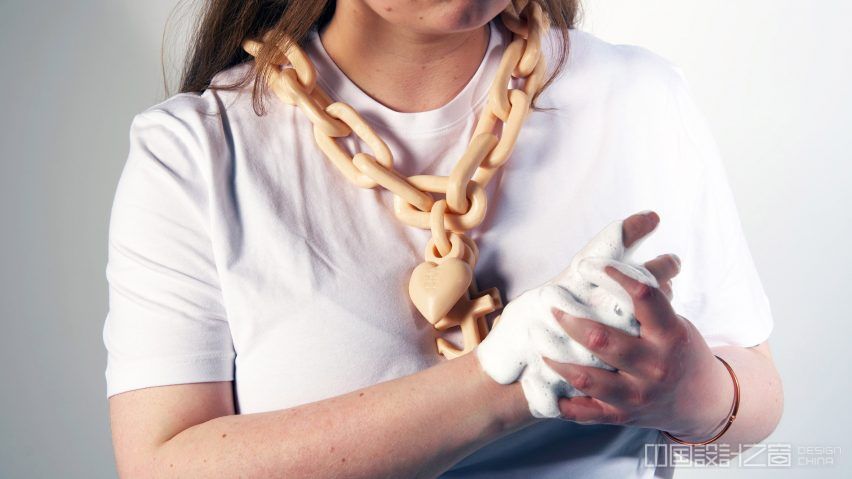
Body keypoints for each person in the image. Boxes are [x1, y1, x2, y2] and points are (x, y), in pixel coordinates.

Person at [103, 1, 783, 477]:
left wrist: (690, 390)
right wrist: (498, 383)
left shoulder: (641, 96)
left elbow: (755, 389)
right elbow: (163, 462)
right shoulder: (195, 150)